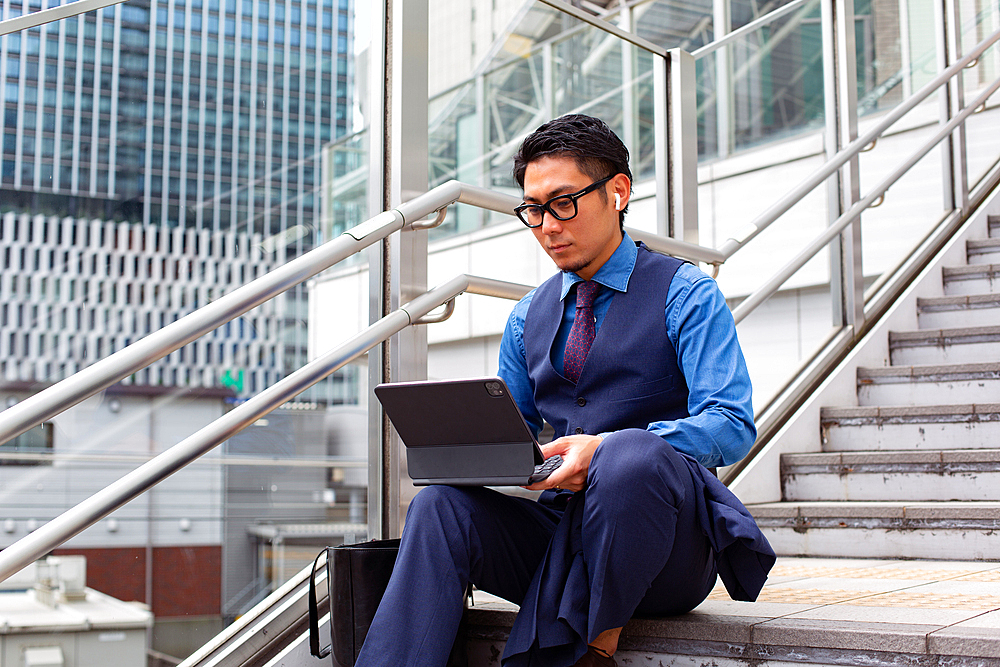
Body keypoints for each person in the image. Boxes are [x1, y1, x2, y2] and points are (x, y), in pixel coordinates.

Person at [355, 114, 774, 667]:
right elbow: (519, 433)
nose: (547, 225)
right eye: (533, 209)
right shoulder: (527, 314)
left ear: (618, 191)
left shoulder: (686, 292)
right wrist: (477, 450)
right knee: (439, 505)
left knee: (630, 454)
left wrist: (603, 449)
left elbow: (731, 423)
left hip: (665, 552)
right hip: (560, 538)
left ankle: (592, 648)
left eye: (563, 202)